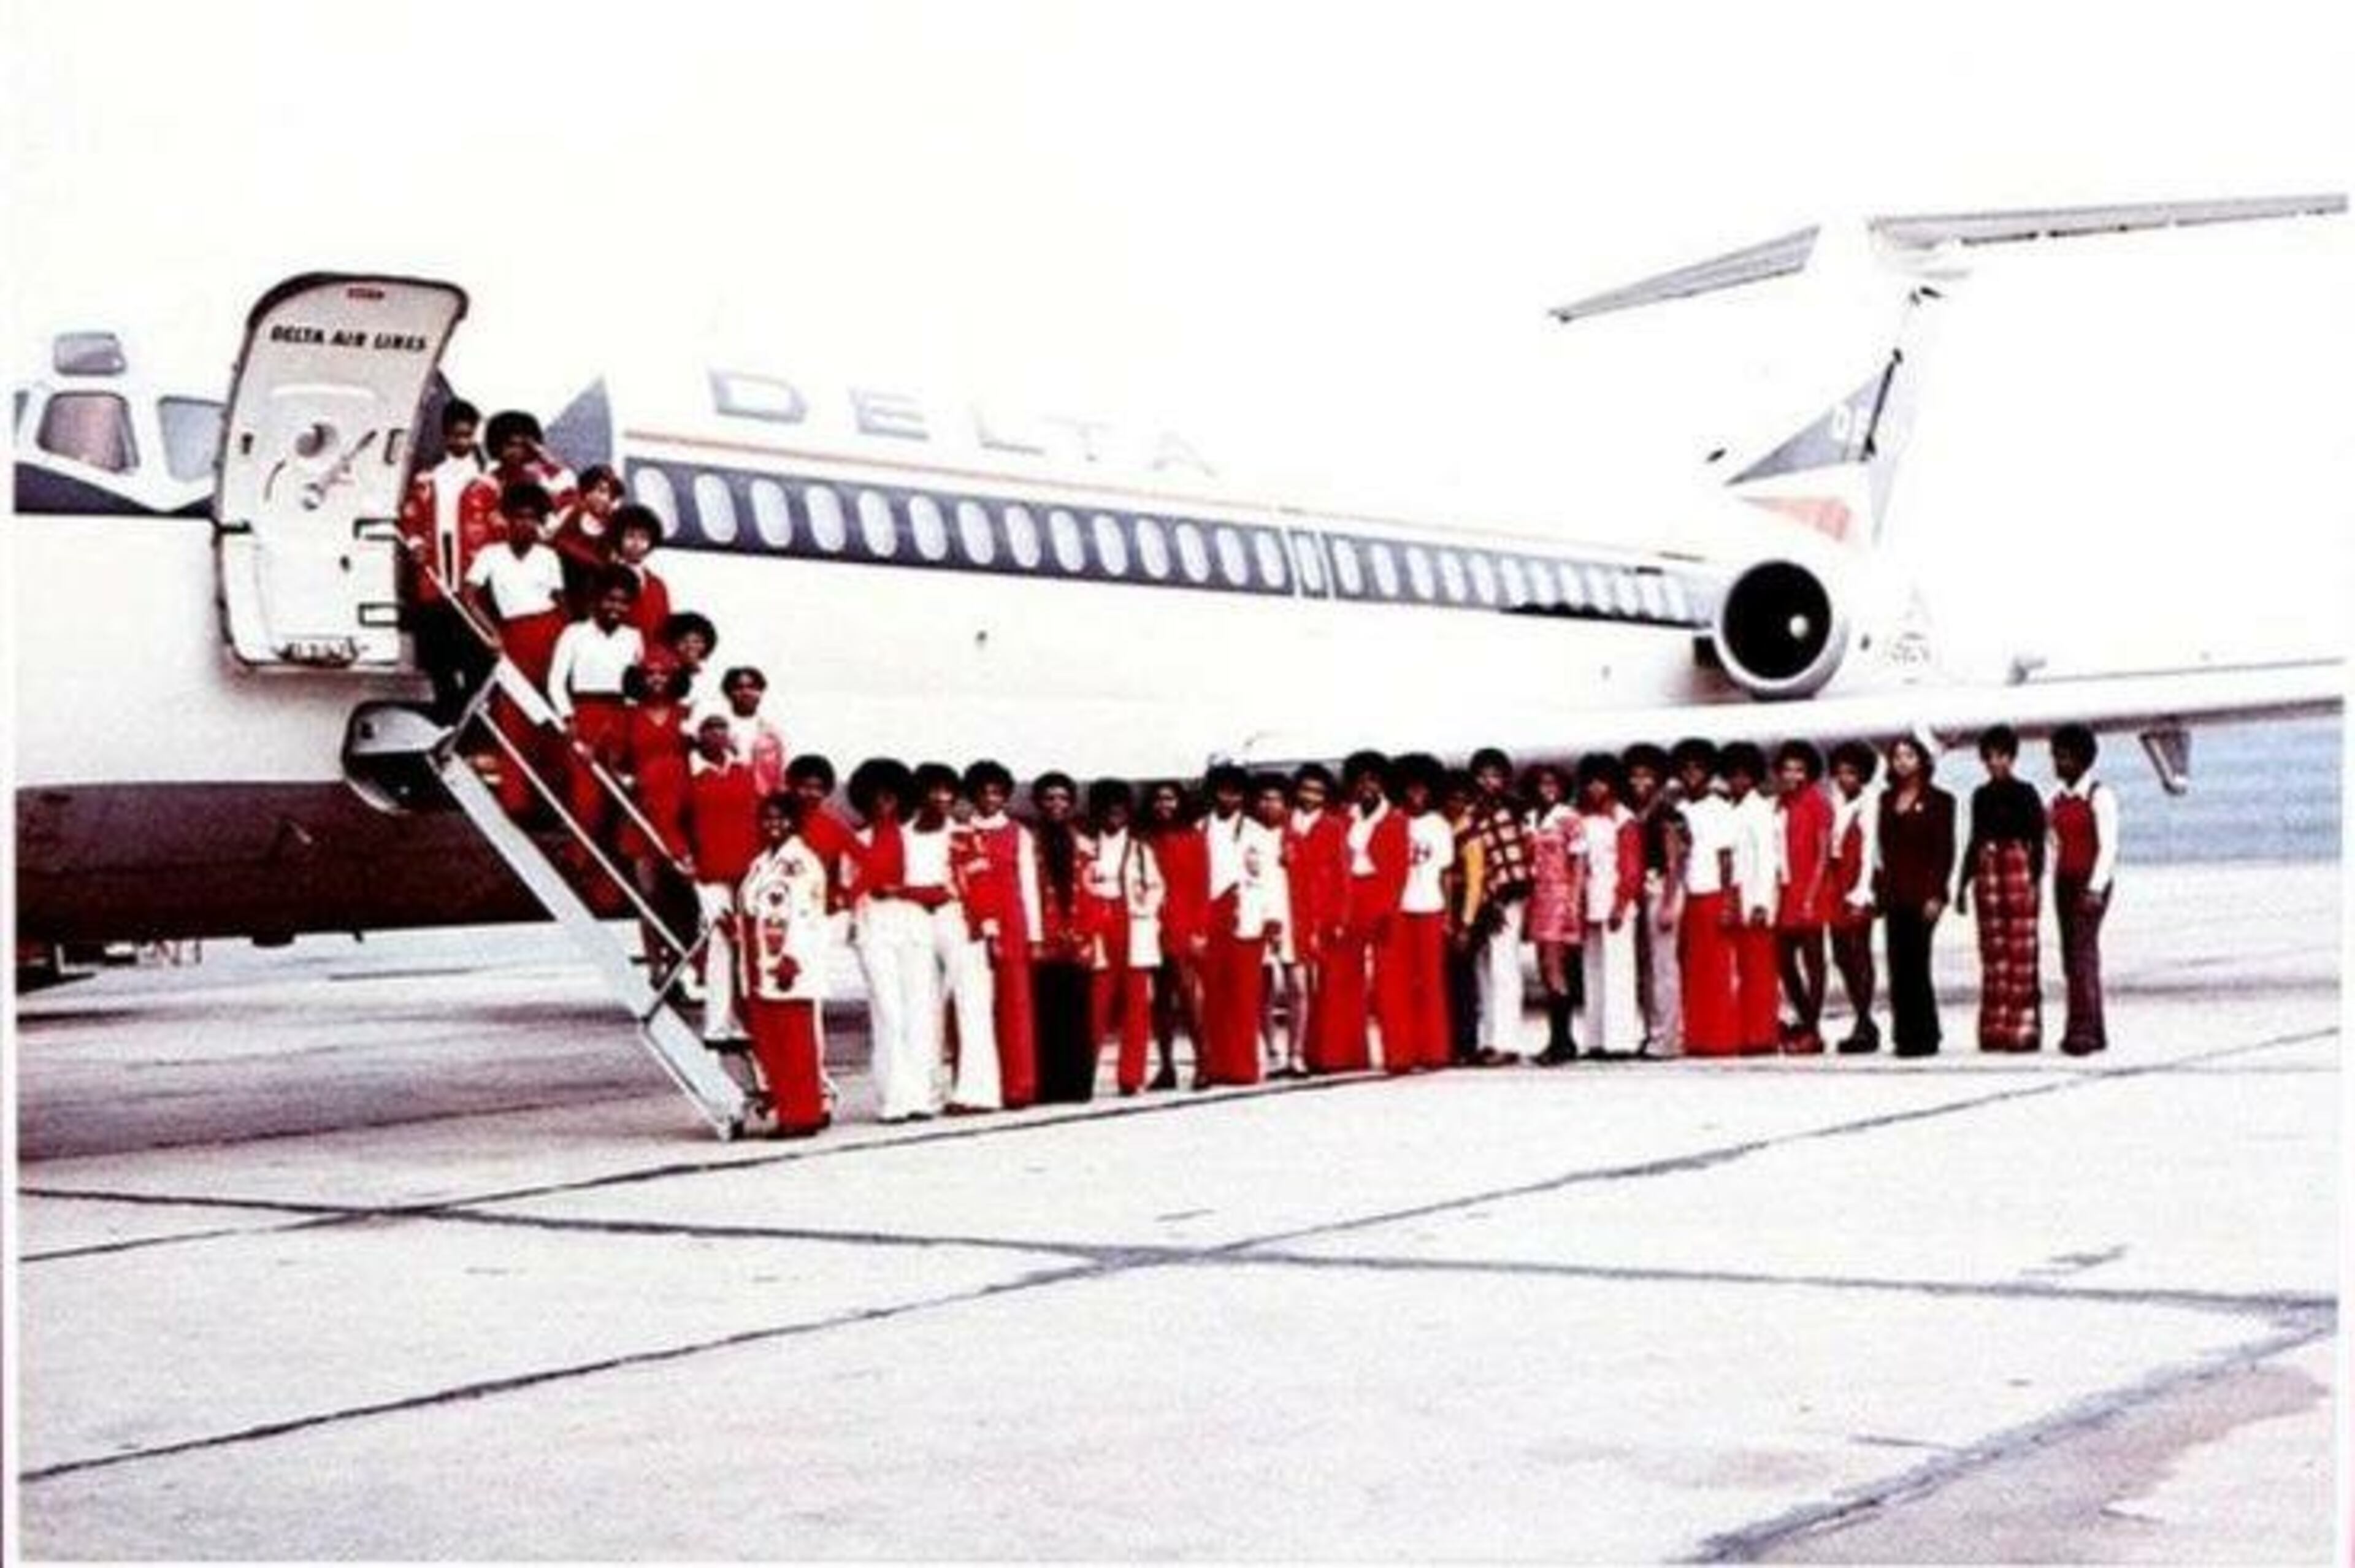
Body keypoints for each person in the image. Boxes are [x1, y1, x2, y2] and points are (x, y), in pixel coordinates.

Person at [461, 482, 570, 814]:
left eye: (533, 519)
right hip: (514, 634)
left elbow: (560, 603)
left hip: (550, 633)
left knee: (551, 713)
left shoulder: (548, 556)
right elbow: (468, 596)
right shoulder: (490, 555)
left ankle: (552, 801)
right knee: (514, 715)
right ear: (507, 520)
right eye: (519, 517)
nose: (526, 524)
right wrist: (491, 632)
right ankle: (517, 801)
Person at [848, 757, 943, 1122]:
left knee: (920, 1011)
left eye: (890, 798)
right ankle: (893, 1099)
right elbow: (849, 888)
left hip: (915, 929)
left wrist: (901, 891)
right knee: (887, 1012)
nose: (884, 805)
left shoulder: (920, 841)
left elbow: (940, 891)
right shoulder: (857, 841)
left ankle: (921, 1096)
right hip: (875, 931)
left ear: (902, 799)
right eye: (876, 798)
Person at [736, 790, 832, 1138]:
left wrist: (793, 957)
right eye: (768, 818)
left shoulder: (800, 862)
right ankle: (788, 1109)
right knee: (771, 1044)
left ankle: (802, 1114)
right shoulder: (762, 862)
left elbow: (805, 916)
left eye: (781, 818)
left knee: (796, 1044)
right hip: (759, 961)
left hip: (787, 962)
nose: (773, 824)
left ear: (793, 821)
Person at [908, 762, 1000, 1113]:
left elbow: (983, 885)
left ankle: (976, 1093)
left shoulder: (964, 833)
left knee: (972, 1005)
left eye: (948, 791)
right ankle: (924, 1095)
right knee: (922, 1007)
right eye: (934, 790)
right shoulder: (905, 834)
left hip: (960, 922)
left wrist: (989, 931)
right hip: (914, 924)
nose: (942, 798)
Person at [396, 397, 492, 719]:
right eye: (455, 435)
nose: (461, 442)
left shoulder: (487, 484)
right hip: (435, 576)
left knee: (476, 653)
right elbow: (410, 518)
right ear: (445, 435)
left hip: (471, 580)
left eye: (467, 435)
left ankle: (465, 712)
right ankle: (449, 707)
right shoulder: (427, 480)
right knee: (437, 652)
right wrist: (415, 541)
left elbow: (497, 532)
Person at [1956, 724, 2047, 1053]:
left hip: (2017, 868)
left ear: (2012, 758)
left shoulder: (2027, 793)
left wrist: (2035, 881)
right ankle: (1994, 1026)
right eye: (1990, 757)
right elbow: (1974, 839)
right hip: (1988, 870)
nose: (1996, 763)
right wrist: (1962, 884)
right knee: (1993, 953)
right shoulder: (1981, 796)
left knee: (2021, 951)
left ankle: (2024, 1026)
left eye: (2001, 756)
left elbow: (2038, 841)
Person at [545, 568, 645, 851]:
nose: (616, 608)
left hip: (621, 716)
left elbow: (638, 686)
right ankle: (580, 858)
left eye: (623, 602)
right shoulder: (574, 633)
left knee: (617, 794)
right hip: (585, 714)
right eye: (610, 600)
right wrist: (568, 717)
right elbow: (556, 681)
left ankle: (612, 870)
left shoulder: (633, 637)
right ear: (597, 600)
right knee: (586, 795)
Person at [1196, 763, 1281, 1088]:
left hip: (1249, 917)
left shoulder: (1258, 833)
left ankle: (1244, 1067)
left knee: (1245, 995)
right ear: (1213, 793)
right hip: (1211, 917)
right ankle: (1216, 1064)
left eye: (1235, 792)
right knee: (1214, 996)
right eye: (1222, 791)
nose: (1228, 798)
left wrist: (1273, 918)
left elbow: (1271, 878)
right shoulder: (1199, 828)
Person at [615, 650, 697, 985]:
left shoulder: (687, 715)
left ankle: (682, 963)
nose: (658, 679)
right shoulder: (628, 717)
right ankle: (656, 969)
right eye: (650, 673)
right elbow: (617, 763)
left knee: (684, 894)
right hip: (645, 813)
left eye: (664, 673)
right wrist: (628, 780)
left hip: (684, 813)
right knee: (649, 895)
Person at [1320, 751, 1404, 1074]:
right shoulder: (1343, 818)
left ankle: (1397, 1053)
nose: (1367, 787)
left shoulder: (1395, 820)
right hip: (1348, 897)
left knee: (1389, 979)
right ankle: (1344, 1054)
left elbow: (1398, 870)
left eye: (1373, 780)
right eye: (1361, 781)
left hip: (1380, 897)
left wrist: (1388, 908)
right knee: (1342, 975)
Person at [684, 713, 763, 1049]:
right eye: (709, 728)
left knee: (745, 944)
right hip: (710, 870)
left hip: (745, 868)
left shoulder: (743, 773)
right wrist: (684, 855)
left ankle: (743, 1023)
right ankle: (717, 1025)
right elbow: (675, 819)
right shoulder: (691, 775)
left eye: (721, 728)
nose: (717, 734)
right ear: (698, 735)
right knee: (720, 940)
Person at [1875, 735, 1956, 1058]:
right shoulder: (1886, 800)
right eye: (1897, 756)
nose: (1903, 762)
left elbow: (1944, 851)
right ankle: (1904, 1035)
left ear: (1922, 760)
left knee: (1917, 963)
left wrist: (1937, 894)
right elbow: (1881, 849)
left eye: (1909, 755)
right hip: (1895, 893)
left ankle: (1926, 1034)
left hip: (1923, 893)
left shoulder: (1940, 801)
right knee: (1897, 964)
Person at [963, 759, 1038, 1108]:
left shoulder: (1018, 833)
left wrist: (1034, 936)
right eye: (983, 792)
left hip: (1012, 922)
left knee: (1015, 1004)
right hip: (972, 924)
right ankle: (981, 1085)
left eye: (997, 792)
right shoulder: (962, 833)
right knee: (976, 1006)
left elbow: (1029, 887)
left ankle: (1019, 1085)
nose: (990, 799)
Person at [1084, 779, 1163, 1097]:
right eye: (1108, 811)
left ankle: (1132, 1077)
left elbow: (1157, 886)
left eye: (1120, 810)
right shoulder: (1087, 846)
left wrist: (1147, 904)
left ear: (1128, 813)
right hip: (1099, 924)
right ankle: (1084, 1073)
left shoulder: (1141, 849)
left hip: (1133, 925)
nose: (1114, 816)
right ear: (1098, 813)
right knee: (1096, 1005)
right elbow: (1082, 885)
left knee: (1137, 1007)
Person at [1028, 771, 1100, 1103]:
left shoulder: (1086, 845)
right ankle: (1048, 1085)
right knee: (1045, 1015)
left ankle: (1077, 1085)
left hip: (1078, 941)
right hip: (1043, 940)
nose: (1056, 805)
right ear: (1039, 804)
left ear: (1071, 804)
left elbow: (1095, 893)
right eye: (1049, 799)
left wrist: (1086, 934)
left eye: (1062, 799)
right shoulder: (1028, 845)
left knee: (1078, 1015)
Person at [2048, 723, 2120, 1056]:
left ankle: (2084, 1031)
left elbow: (2108, 846)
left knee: (2082, 957)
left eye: (2064, 758)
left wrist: (2096, 888)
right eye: (2056, 757)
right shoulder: (2057, 797)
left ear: (2082, 760)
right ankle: (2092, 1027)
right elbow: (2052, 840)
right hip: (2064, 882)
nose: (2059, 764)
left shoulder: (2099, 796)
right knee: (2070, 958)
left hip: (2090, 884)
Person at [1278, 763, 1349, 1082]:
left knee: (1308, 986)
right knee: (1289, 986)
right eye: (1306, 790)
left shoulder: (1333, 826)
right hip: (1284, 908)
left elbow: (1342, 876)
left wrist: (1339, 917)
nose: (1311, 796)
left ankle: (1304, 1053)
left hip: (1316, 913)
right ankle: (1284, 1052)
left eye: (1318, 792)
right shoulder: (1284, 823)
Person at [1385, 753, 1455, 1074]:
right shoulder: (1393, 821)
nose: (1416, 796)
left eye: (1422, 790)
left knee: (1430, 982)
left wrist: (1449, 915)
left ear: (1431, 792)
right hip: (1399, 909)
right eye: (1410, 790)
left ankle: (1434, 1051)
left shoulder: (1439, 825)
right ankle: (1401, 1053)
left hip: (1430, 905)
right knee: (1398, 983)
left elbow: (1446, 874)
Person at [1671, 739, 1740, 1057]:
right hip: (1688, 896)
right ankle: (1696, 1037)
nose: (1691, 775)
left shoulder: (1721, 808)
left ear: (1709, 772)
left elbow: (1727, 857)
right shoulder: (1680, 810)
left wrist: (1728, 901)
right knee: (1692, 970)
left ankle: (1721, 1038)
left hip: (1713, 894)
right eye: (1685, 769)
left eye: (1698, 768)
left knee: (1717, 971)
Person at [1466, 746, 1534, 1062]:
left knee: (1504, 967)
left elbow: (1525, 856)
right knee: (1484, 969)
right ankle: (1488, 1038)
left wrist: (1506, 893)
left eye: (1495, 775)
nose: (1488, 781)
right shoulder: (1471, 814)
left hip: (1509, 895)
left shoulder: (1517, 810)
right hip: (1479, 899)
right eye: (1483, 775)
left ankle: (1508, 1041)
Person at [1139, 778, 1207, 1090]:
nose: (1164, 805)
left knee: (1188, 993)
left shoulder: (1192, 838)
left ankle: (1203, 1062)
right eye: (1158, 799)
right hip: (1152, 923)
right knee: (1160, 999)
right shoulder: (1144, 839)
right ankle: (1166, 1066)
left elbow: (1202, 885)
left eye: (1170, 799)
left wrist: (1199, 930)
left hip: (1183, 923)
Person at [1574, 753, 1644, 1057]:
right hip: (1590, 899)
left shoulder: (1624, 818)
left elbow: (1631, 867)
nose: (1596, 788)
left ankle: (1620, 1040)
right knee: (1593, 969)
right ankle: (1596, 1039)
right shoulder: (1583, 818)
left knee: (1619, 969)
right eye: (1591, 782)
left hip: (1616, 901)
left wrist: (1621, 903)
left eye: (1602, 782)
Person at [1720, 743, 1783, 1057]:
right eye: (1733, 776)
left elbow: (1768, 859)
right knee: (1743, 970)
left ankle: (1763, 1036)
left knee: (1761, 972)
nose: (1738, 782)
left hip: (1757, 899)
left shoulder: (1760, 810)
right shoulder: (1733, 809)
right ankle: (1746, 1031)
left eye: (1745, 776)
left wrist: (1762, 903)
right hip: (1738, 894)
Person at [1773, 740, 1834, 1055]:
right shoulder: (1781, 803)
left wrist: (1811, 894)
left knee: (1814, 961)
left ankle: (1813, 1027)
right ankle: (1805, 1019)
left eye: (1799, 769)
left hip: (1811, 888)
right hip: (1784, 890)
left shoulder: (1818, 802)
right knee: (1784, 960)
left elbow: (1824, 853)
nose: (1793, 775)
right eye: (1787, 769)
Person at [1522, 763, 1585, 1065]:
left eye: (1552, 784)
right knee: (1545, 969)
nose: (1547, 789)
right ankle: (1559, 1039)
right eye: (1542, 783)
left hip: (1559, 896)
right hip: (1538, 897)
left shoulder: (1569, 818)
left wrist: (1574, 902)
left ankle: (1562, 1040)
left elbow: (1579, 864)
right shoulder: (1532, 818)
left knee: (1557, 968)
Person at [1624, 743, 1685, 1057]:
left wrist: (1667, 904)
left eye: (1647, 776)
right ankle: (1652, 1031)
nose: (1640, 783)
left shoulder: (1667, 814)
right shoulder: (1636, 814)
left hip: (1663, 889)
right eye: (1635, 776)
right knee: (1646, 967)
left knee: (1664, 967)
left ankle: (1669, 1035)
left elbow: (1674, 863)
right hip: (1642, 891)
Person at [1825, 740, 1883, 1054]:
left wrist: (1863, 891)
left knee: (1859, 952)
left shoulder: (1869, 803)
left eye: (1852, 773)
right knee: (1841, 954)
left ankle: (1864, 1019)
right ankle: (1862, 1016)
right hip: (1836, 883)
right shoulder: (1835, 802)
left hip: (1858, 882)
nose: (1845, 779)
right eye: (1841, 773)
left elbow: (1868, 849)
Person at [1249, 774, 1300, 1079]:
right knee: (1263, 988)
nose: (1269, 805)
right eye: (1264, 799)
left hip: (1292, 915)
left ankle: (1297, 1053)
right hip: (1258, 917)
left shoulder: (1295, 834)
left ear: (1286, 804)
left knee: (1298, 985)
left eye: (1276, 799)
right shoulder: (1249, 835)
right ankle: (1271, 1051)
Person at [1438, 771, 1488, 1065]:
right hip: (1441, 907)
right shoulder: (1441, 828)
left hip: (1462, 912)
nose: (1457, 804)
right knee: (1446, 981)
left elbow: (1475, 881)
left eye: (1462, 800)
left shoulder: (1469, 835)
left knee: (1463, 983)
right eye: (1452, 799)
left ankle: (1466, 1044)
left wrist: (1466, 924)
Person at [548, 462, 624, 610]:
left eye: (604, 491)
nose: (597, 496)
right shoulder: (569, 513)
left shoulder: (614, 530)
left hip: (588, 600)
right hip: (557, 591)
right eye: (592, 489)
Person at [707, 665, 789, 797]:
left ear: (760, 692)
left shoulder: (772, 733)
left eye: (752, 687)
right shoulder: (716, 729)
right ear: (728, 693)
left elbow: (780, 777)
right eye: (739, 688)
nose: (746, 692)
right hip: (726, 798)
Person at [609, 504, 675, 644]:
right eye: (630, 536)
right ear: (618, 538)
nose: (636, 543)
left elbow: (664, 629)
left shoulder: (658, 586)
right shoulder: (602, 576)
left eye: (644, 538)